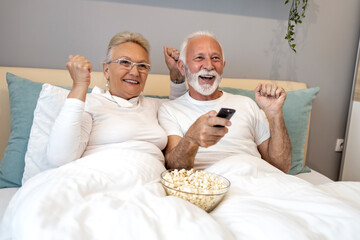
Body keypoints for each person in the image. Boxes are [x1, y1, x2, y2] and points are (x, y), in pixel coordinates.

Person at [159, 30, 292, 173]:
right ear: (181, 67)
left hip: (255, 179)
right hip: (210, 186)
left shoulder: (246, 104)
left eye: (215, 58)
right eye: (199, 58)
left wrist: (275, 114)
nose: (209, 66)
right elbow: (174, 168)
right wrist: (192, 139)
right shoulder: (169, 110)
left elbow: (281, 167)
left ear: (223, 65)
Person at [46, 31, 186, 167]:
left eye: (142, 66)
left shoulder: (155, 106)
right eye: (125, 62)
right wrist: (79, 85)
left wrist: (177, 74)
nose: (135, 72)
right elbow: (59, 158)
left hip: (147, 181)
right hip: (97, 176)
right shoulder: (90, 103)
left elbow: (182, 111)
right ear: (106, 70)